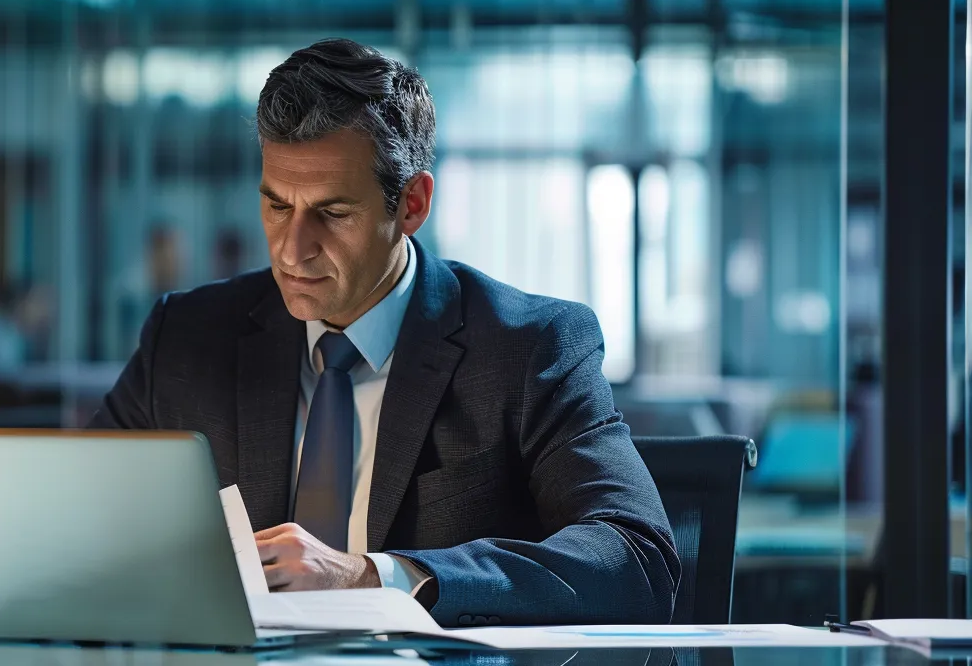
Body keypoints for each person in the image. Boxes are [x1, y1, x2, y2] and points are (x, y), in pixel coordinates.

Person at [90, 39, 678, 627]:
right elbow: (71, 518)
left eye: (332, 213)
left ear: (412, 204)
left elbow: (636, 560)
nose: (293, 250)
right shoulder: (188, 339)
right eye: (276, 206)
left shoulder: (529, 347)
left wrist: (377, 577)